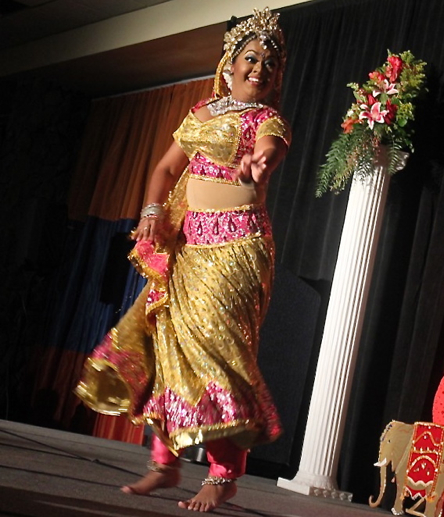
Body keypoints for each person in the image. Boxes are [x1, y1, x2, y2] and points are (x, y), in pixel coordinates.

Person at [75, 7, 290, 512]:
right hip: (188, 247)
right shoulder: (200, 113)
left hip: (235, 249)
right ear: (230, 63)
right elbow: (165, 168)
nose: (260, 68)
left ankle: (224, 473)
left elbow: (270, 148)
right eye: (251, 58)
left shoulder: (269, 121)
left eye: (271, 63)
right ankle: (164, 463)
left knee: (218, 353)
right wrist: (152, 211)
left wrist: (261, 162)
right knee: (167, 345)